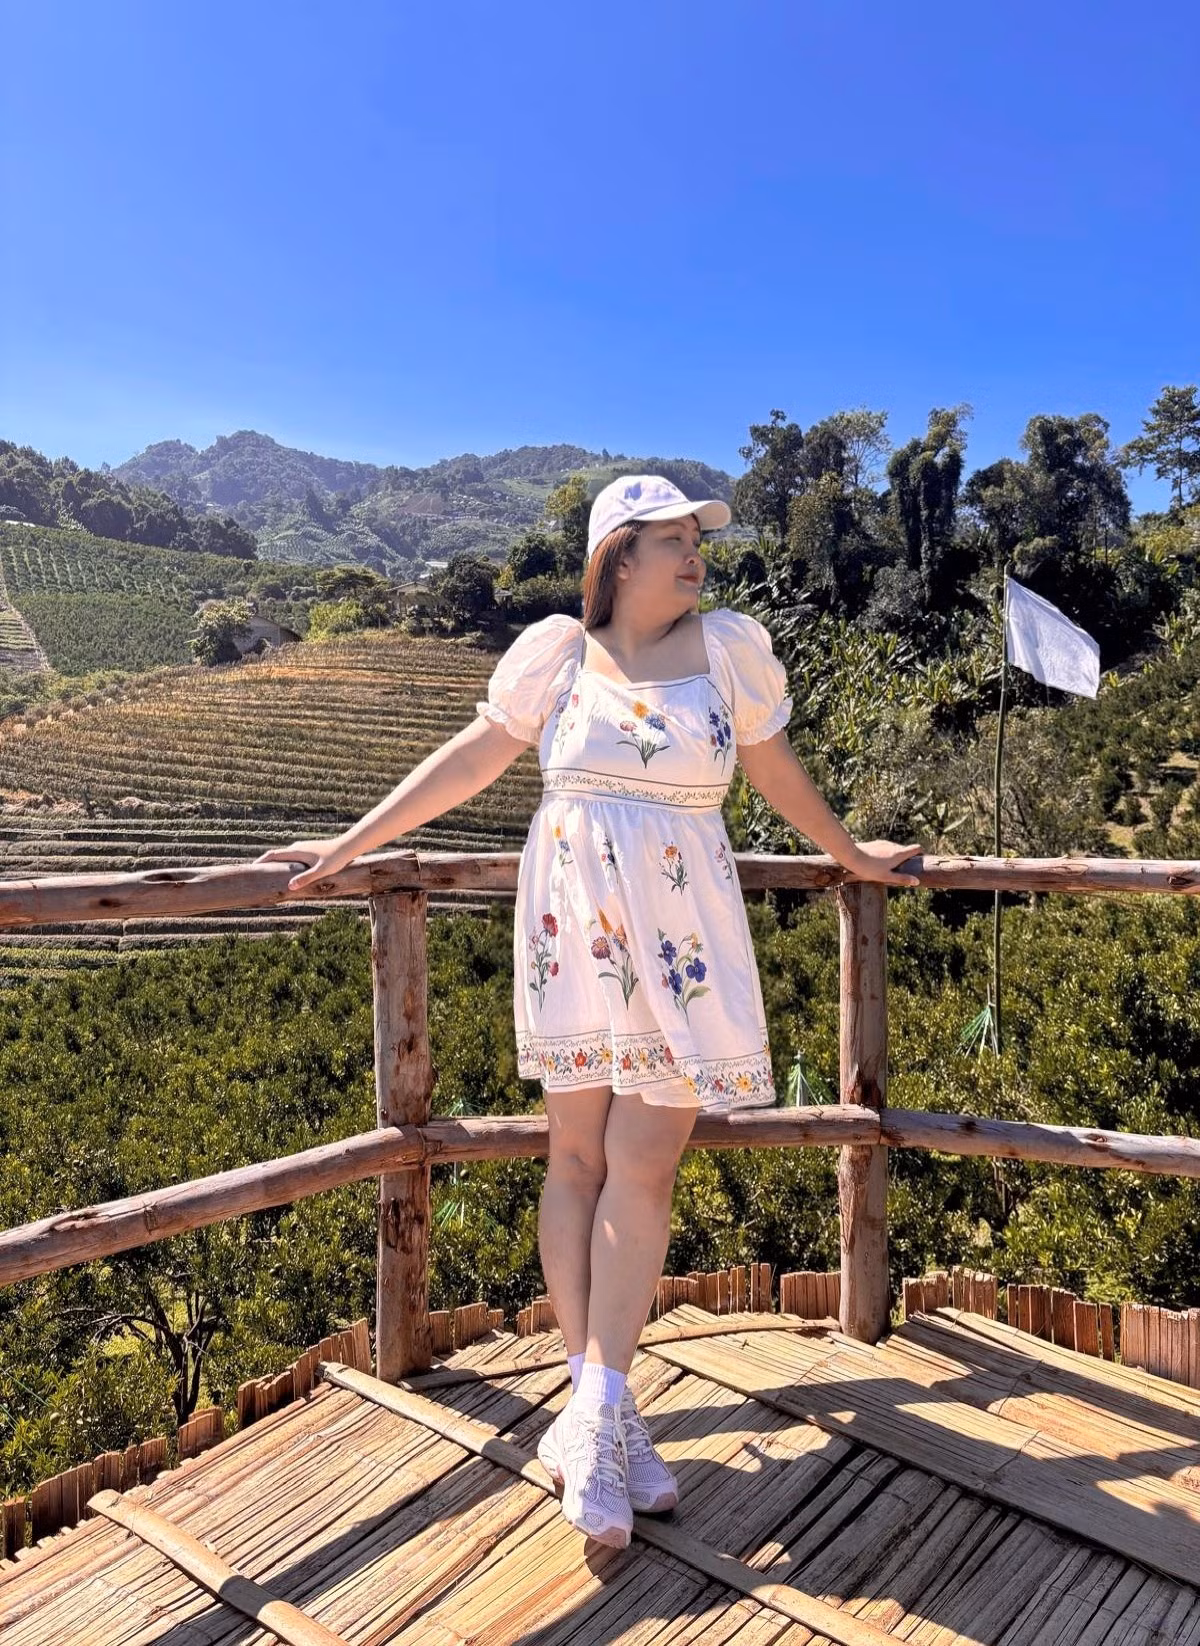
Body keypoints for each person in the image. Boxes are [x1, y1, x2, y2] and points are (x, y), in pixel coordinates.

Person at [256, 474, 923, 1550]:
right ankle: (600, 1407)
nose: (695, 556)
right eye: (672, 540)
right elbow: (472, 758)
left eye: (696, 540)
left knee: (644, 1163)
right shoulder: (560, 654)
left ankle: (597, 1417)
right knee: (574, 1159)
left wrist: (852, 854)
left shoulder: (728, 652)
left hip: (685, 936)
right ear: (617, 556)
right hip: (575, 931)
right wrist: (348, 847)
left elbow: (774, 769)